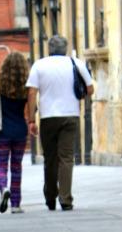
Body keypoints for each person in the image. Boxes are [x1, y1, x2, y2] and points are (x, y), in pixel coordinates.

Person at [26, 35, 93, 211]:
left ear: (49, 48)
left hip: (48, 117)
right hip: (70, 115)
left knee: (50, 159)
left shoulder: (39, 65)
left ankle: (50, 197)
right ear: (65, 48)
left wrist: (31, 119)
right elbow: (90, 88)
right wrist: (76, 97)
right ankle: (65, 199)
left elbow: (32, 93)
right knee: (66, 158)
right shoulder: (76, 63)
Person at [0, 52, 30, 214]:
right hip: (20, 131)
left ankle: (3, 188)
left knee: (1, 165)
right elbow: (32, 106)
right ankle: (16, 204)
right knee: (16, 167)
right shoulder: (27, 84)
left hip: (1, 131)